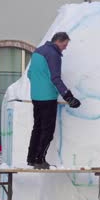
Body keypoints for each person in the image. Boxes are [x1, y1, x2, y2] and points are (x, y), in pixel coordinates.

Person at [26, 32, 81, 169]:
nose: (65, 47)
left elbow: (30, 74)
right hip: (47, 98)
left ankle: (31, 158)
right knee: (47, 131)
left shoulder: (38, 52)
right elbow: (55, 78)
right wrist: (69, 97)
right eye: (65, 44)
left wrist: (38, 86)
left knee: (37, 128)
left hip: (35, 97)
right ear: (58, 41)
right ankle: (40, 160)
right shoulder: (53, 55)